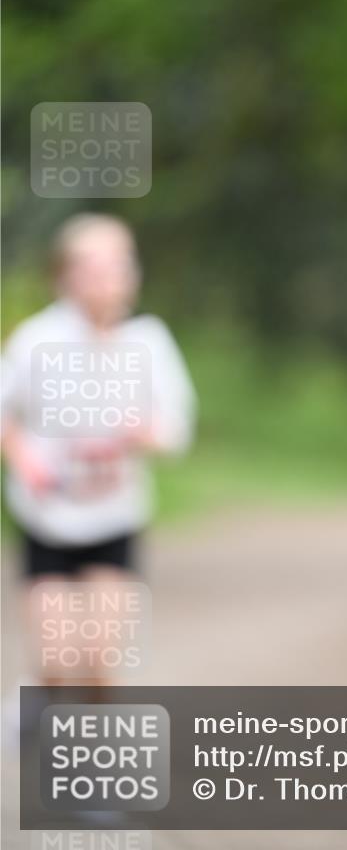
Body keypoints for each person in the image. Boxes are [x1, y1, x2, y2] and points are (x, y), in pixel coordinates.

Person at [2, 213, 196, 690]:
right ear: (64, 275)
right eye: (91, 266)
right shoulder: (36, 340)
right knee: (55, 658)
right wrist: (27, 462)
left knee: (100, 663)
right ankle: (39, 708)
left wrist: (140, 434)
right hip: (46, 516)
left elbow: (176, 429)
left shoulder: (148, 341)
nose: (105, 278)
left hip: (114, 516)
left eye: (117, 264)